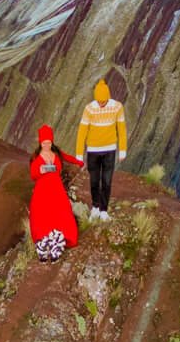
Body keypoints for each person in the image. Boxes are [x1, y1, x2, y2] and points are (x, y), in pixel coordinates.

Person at [75, 78, 128, 219]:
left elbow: (121, 129)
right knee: (94, 181)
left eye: (103, 101)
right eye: (99, 101)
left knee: (106, 181)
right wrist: (79, 155)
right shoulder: (89, 109)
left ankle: (104, 210)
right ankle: (95, 207)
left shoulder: (117, 107)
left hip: (110, 150)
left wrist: (122, 150)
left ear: (108, 97)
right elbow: (82, 132)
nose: (101, 103)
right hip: (92, 151)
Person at [28, 125, 80, 262]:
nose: (47, 144)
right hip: (43, 191)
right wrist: (42, 170)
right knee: (43, 217)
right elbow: (33, 174)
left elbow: (68, 158)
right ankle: (45, 247)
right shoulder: (36, 157)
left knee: (60, 214)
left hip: (56, 189)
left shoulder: (56, 153)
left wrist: (79, 163)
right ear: (40, 142)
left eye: (49, 142)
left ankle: (56, 245)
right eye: (44, 142)